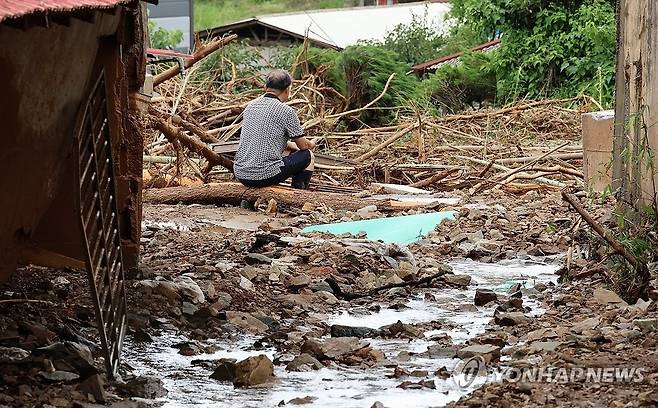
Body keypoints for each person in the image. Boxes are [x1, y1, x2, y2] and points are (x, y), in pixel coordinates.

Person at [233, 69, 317, 189]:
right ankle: (297, 196)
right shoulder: (286, 111)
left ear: (265, 87)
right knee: (308, 155)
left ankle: (249, 200)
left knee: (287, 151)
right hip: (263, 175)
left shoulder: (250, 106)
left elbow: (264, 137)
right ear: (287, 90)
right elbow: (304, 146)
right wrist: (312, 143)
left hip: (241, 173)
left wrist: (290, 145)